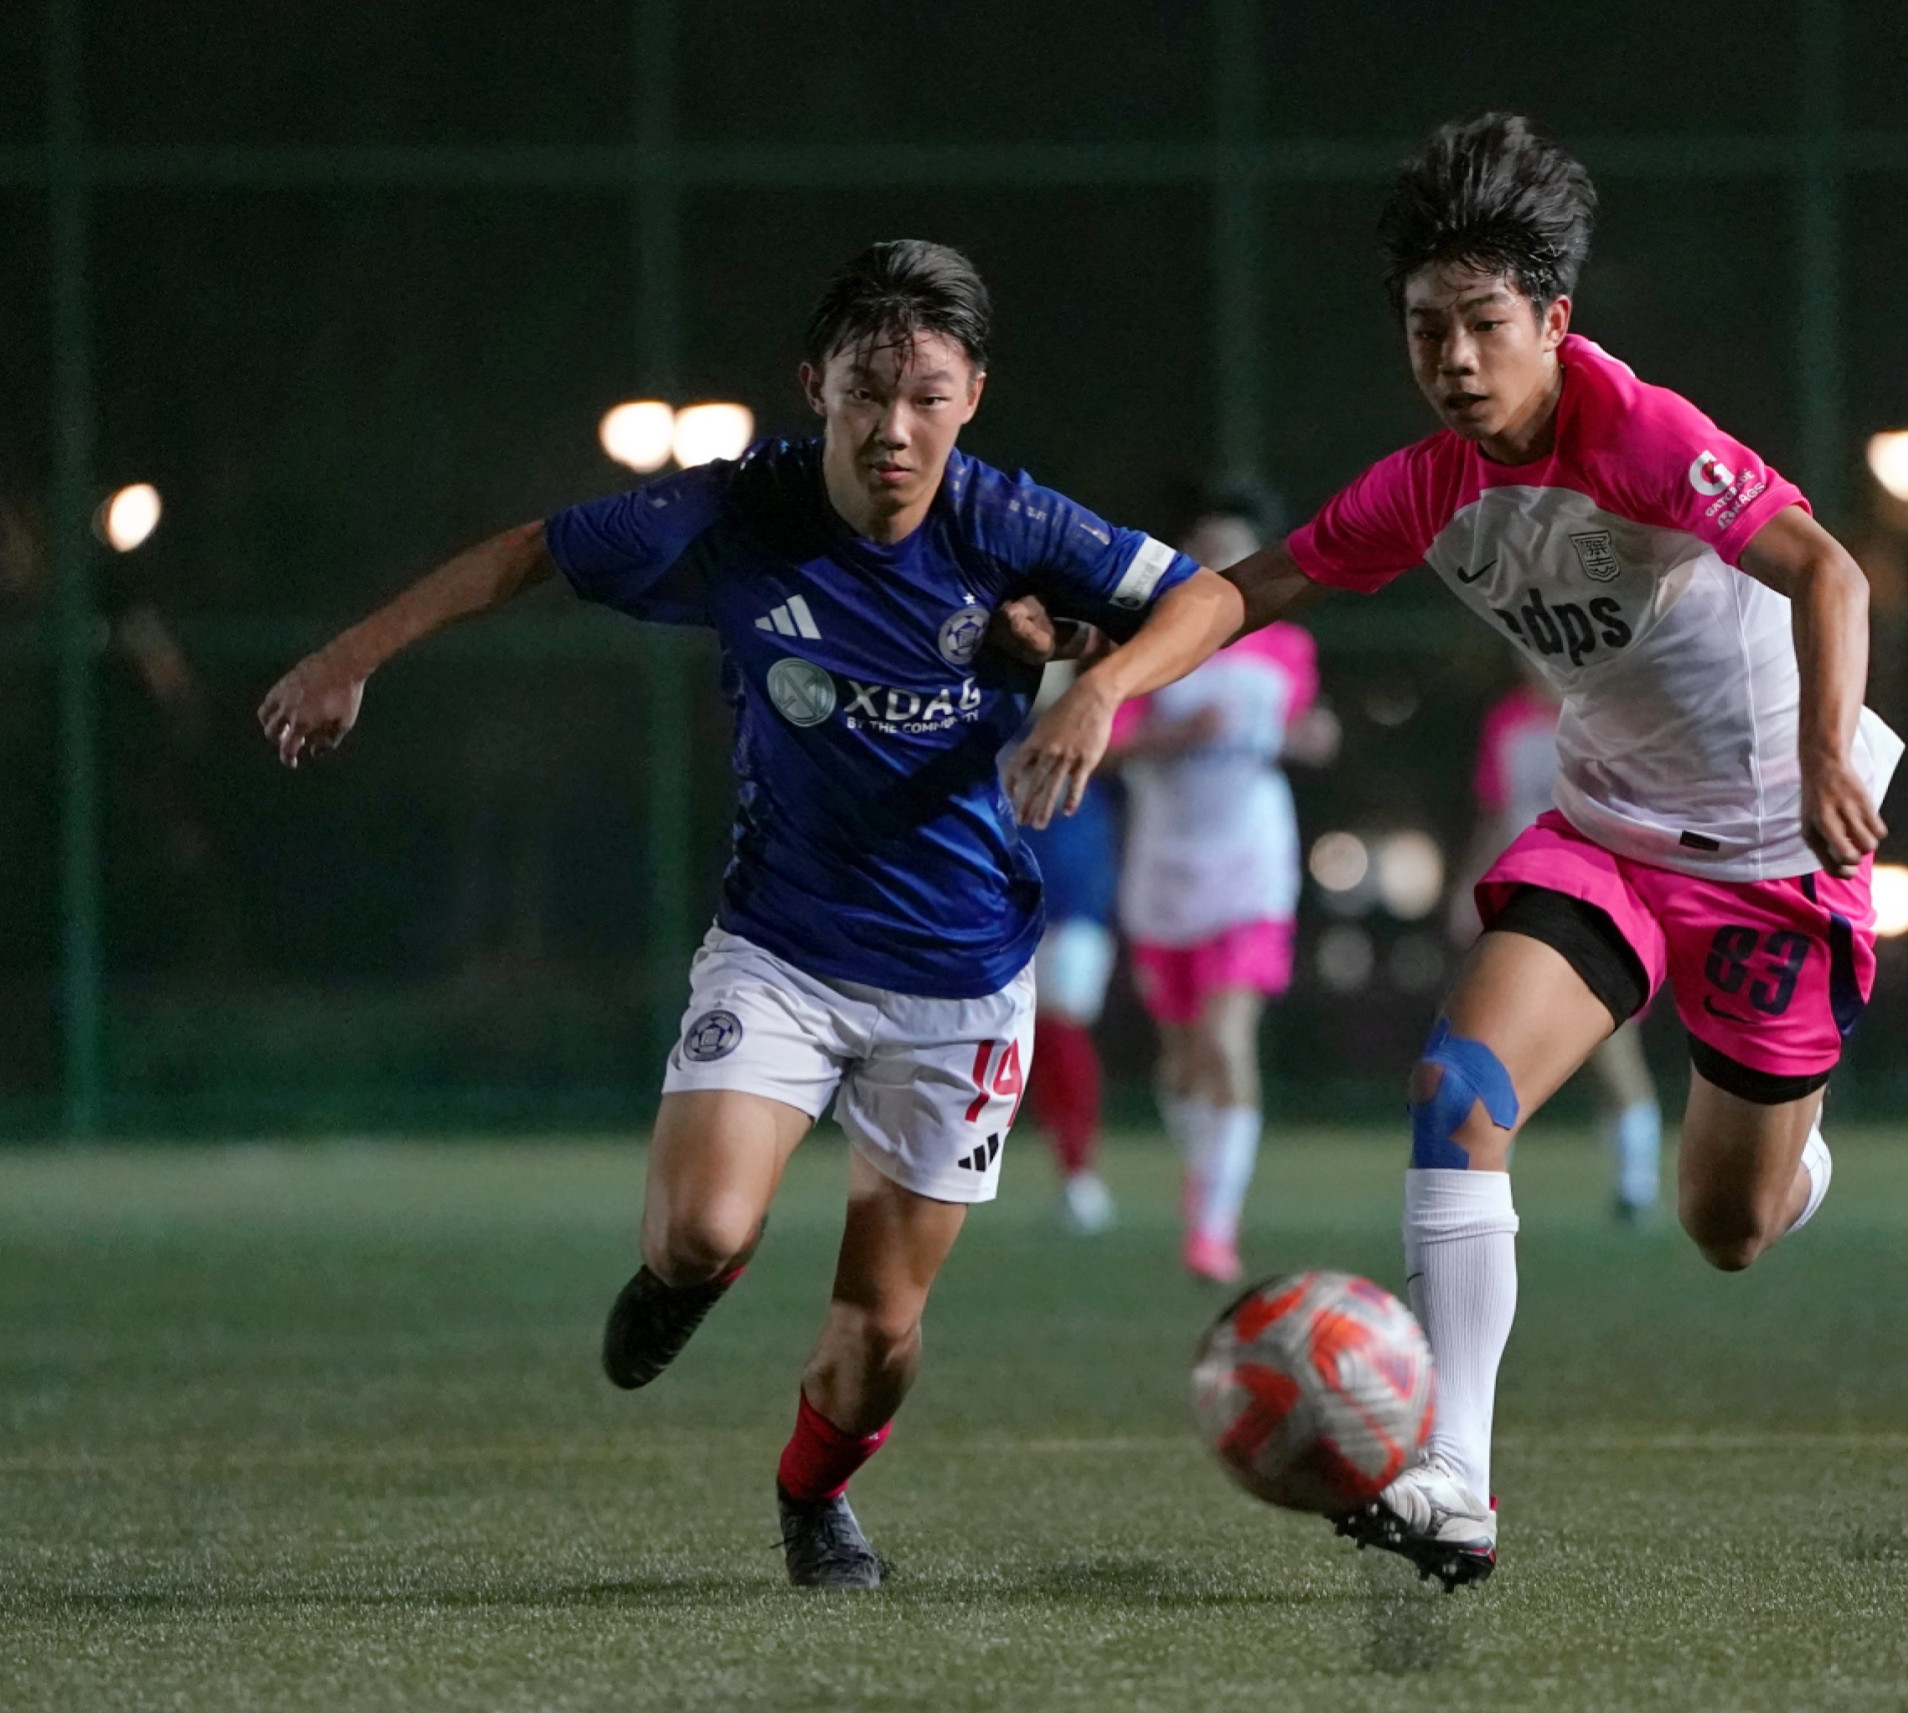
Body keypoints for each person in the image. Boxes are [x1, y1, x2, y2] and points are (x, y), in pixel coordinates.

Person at [257, 239, 1245, 1589]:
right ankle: (679, 1284)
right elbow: (533, 550)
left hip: (962, 983)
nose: (892, 428)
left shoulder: (1010, 523)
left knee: (879, 1331)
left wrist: (1098, 684)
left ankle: (812, 1496)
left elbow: (1207, 596)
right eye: (865, 392)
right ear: (814, 386)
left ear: (970, 398)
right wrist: (349, 656)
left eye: (926, 397)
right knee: (700, 1233)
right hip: (782, 952)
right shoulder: (734, 509)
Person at [1011, 113, 1902, 1590]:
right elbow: (1247, 589)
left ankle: (1788, 1159)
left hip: (1770, 852)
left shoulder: (1637, 434)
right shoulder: (1432, 485)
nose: (1455, 359)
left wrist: (1821, 757)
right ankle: (1456, 1481)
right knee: (1456, 1090)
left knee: (1728, 1226)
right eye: (1427, 328)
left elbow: (1828, 570)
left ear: (1552, 321)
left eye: (1486, 324)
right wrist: (1103, 684)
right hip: (1605, 835)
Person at [1110, 509, 1321, 1283]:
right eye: (1206, 557)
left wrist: (1312, 736)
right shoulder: (1153, 646)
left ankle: (1212, 1227)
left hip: (1251, 864)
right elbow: (1104, 741)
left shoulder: (1287, 647)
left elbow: (1298, 725)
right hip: (1165, 864)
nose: (1225, 571)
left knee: (1225, 1040)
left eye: (1236, 557)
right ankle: (1203, 1171)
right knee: (1180, 1054)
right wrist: (1172, 737)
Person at [1454, 673, 1662, 1222]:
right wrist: (1468, 886)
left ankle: (1636, 1185)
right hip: (1524, 892)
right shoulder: (1506, 721)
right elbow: (1496, 812)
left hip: (1595, 895)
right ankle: (1483, 1186)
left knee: (1610, 1050)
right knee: (1499, 1046)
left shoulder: (1606, 712)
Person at [1016, 668, 1123, 1234]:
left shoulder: (1091, 718)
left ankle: (1079, 1172)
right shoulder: (983, 722)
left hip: (1073, 903)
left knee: (1061, 1030)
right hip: (998, 907)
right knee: (1016, 1044)